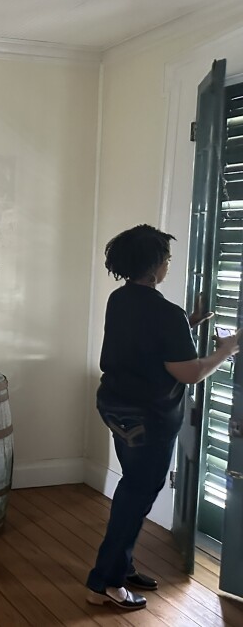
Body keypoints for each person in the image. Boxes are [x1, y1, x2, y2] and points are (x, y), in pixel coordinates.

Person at [85, 223, 240, 610]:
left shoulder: (120, 300)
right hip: (148, 420)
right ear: (155, 267)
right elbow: (188, 372)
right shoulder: (164, 313)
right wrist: (228, 349)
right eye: (167, 259)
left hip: (116, 409)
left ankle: (123, 564)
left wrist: (188, 322)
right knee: (136, 496)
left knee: (132, 489)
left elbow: (145, 338)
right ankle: (109, 581)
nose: (169, 265)